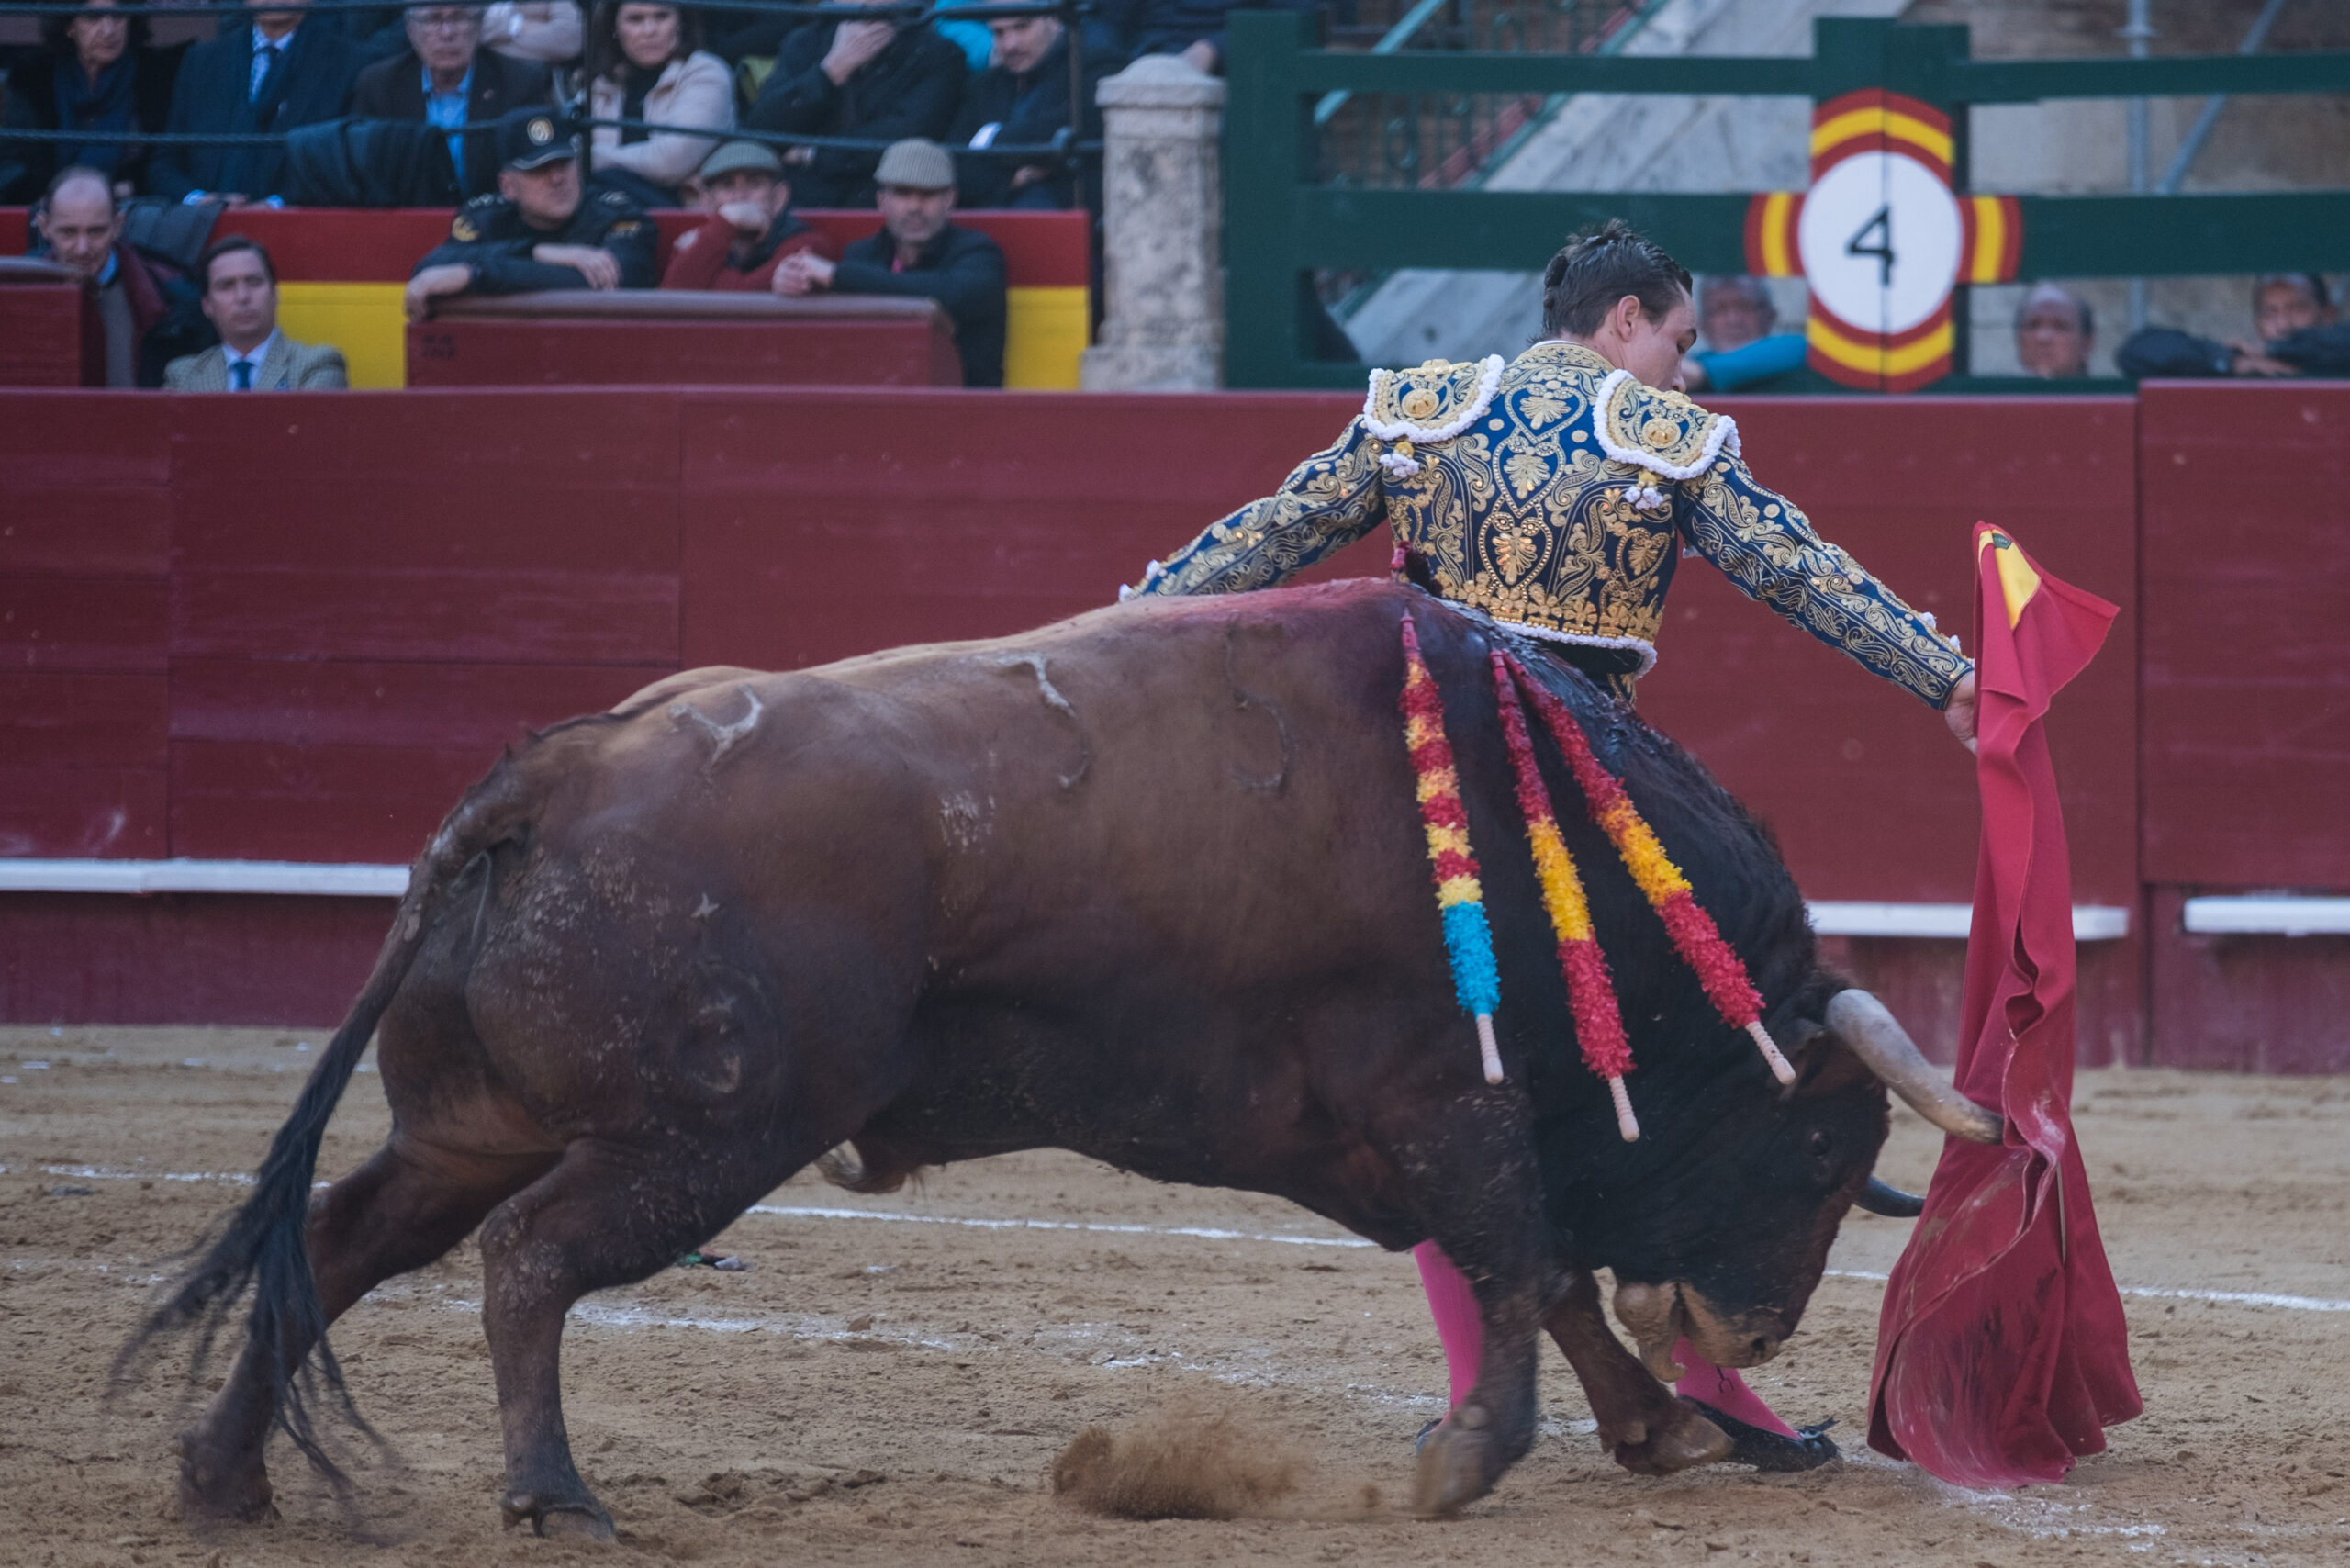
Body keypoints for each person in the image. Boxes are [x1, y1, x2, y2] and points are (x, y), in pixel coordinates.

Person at [1125, 221, 1979, 1470]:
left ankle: (1483, 1395)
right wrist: (1945, 677)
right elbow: (1801, 575)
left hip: (1416, 815)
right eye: (1682, 343)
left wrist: (1120, 627)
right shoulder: (1669, 441)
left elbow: (1267, 538)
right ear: (1625, 320)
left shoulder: (1423, 412)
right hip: (1578, 814)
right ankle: (1715, 1401)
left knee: (1432, 1083)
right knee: (1686, 1082)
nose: (1690, 373)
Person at [775, 137, 1006, 387]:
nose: (915, 206)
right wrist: (793, 278)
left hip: (967, 412)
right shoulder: (860, 255)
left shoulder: (978, 252)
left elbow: (950, 292)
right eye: (902, 193)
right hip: (875, 404)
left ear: (949, 200)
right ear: (882, 201)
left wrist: (839, 276)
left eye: (927, 194)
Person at [405, 107, 656, 317]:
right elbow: (429, 267)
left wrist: (479, 275)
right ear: (507, 186)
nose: (557, 178)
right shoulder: (486, 216)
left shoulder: (616, 214)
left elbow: (608, 280)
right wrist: (535, 251)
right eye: (539, 169)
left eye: (564, 162)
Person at [744, 0, 967, 209]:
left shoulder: (940, 55)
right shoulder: (803, 43)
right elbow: (761, 128)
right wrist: (831, 71)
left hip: (891, 205)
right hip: (799, 205)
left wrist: (813, 154)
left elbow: (904, 135)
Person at [147, 0, 365, 206]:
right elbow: (164, 165)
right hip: (203, 228)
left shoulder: (348, 63)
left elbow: (345, 169)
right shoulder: (202, 61)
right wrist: (199, 201)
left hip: (296, 227)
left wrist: (276, 205)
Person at [348, 2, 553, 198]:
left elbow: (536, 173)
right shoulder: (379, 85)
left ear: (479, 25)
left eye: (460, 17)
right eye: (432, 19)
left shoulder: (520, 83)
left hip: (494, 223)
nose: (447, 33)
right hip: (405, 222)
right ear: (411, 30)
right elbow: (363, 174)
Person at [0, 0, 184, 205]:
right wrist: (48, 197)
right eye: (93, 18)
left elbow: (162, 165)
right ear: (69, 26)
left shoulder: (157, 76)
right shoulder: (32, 79)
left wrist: (117, 191)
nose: (108, 30)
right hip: (48, 209)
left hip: (129, 208)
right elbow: (11, 163)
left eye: (119, 17)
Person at [29, 163, 191, 386]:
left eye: (96, 231)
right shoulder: (14, 290)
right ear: (44, 226)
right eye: (68, 232)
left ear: (118, 225)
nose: (82, 248)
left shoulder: (171, 295)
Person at [945, 8, 1106, 209]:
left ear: (1054, 20)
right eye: (999, 33)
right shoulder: (984, 86)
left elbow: (1076, 126)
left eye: (1022, 27)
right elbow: (954, 167)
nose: (1010, 44)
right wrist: (1016, 178)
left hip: (1063, 219)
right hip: (986, 221)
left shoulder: (1094, 67)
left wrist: (991, 137)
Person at [580, 0, 733, 209]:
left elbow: (671, 162)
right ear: (614, 28)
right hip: (606, 203)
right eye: (635, 19)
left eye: (662, 17)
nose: (649, 31)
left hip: (678, 208)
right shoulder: (602, 84)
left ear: (681, 22)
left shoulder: (707, 72)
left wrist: (592, 155)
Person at [162, 235, 347, 388]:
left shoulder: (317, 364)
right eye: (226, 286)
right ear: (207, 304)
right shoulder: (182, 375)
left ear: (275, 293)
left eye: (254, 282)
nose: (242, 297)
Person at [659, 139, 836, 292]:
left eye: (754, 184)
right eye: (728, 186)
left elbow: (749, 300)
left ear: (778, 198)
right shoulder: (695, 240)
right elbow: (669, 301)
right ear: (708, 203)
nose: (740, 196)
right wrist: (723, 226)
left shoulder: (806, 244)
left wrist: (705, 274)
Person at [2115, 273, 2342, 379]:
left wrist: (2275, 350)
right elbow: (2135, 352)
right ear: (2258, 325)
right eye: (2270, 313)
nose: (2283, 325)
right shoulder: (2244, 368)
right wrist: (2231, 361)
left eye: (2297, 309)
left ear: (2328, 315)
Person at [1680, 275, 1804, 393]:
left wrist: (1699, 373)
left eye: (1745, 307)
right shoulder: (1696, 360)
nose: (1733, 320)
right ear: (1702, 324)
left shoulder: (1794, 349)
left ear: (1770, 316)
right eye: (1720, 309)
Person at [2012, 283, 2093, 379]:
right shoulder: (1997, 392)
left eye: (2060, 326)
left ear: (2085, 344)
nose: (2043, 337)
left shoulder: (2108, 393)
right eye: (2033, 325)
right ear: (2019, 340)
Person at [478, 0, 583, 62]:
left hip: (538, 85)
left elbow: (567, 40)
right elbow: (471, 29)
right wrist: (528, 26)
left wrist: (513, 25)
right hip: (476, 78)